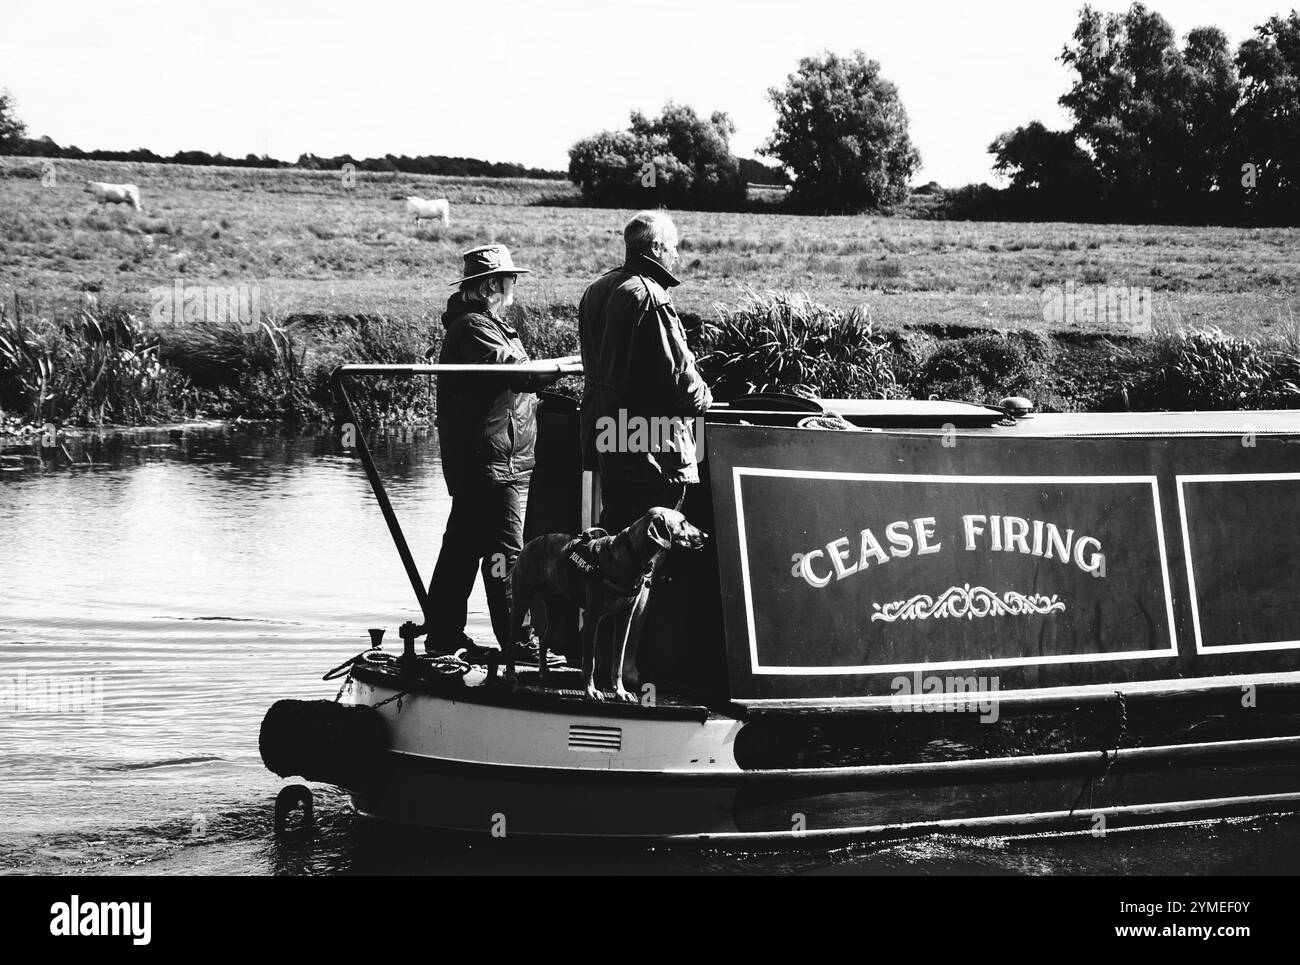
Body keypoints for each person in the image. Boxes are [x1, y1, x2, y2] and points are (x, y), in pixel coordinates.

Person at [426, 243, 562, 666]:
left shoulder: (488, 323)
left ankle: (442, 635)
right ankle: (518, 643)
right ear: (490, 285)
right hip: (492, 463)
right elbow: (512, 369)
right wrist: (559, 367)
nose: (514, 286)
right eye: (510, 280)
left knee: (463, 547)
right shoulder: (472, 327)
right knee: (507, 551)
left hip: (493, 459)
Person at [578, 210, 713, 532]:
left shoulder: (596, 289)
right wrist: (705, 397)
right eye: (673, 247)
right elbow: (678, 379)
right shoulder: (652, 297)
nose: (677, 255)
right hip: (652, 446)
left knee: (615, 542)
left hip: (610, 436)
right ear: (655, 247)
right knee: (652, 544)